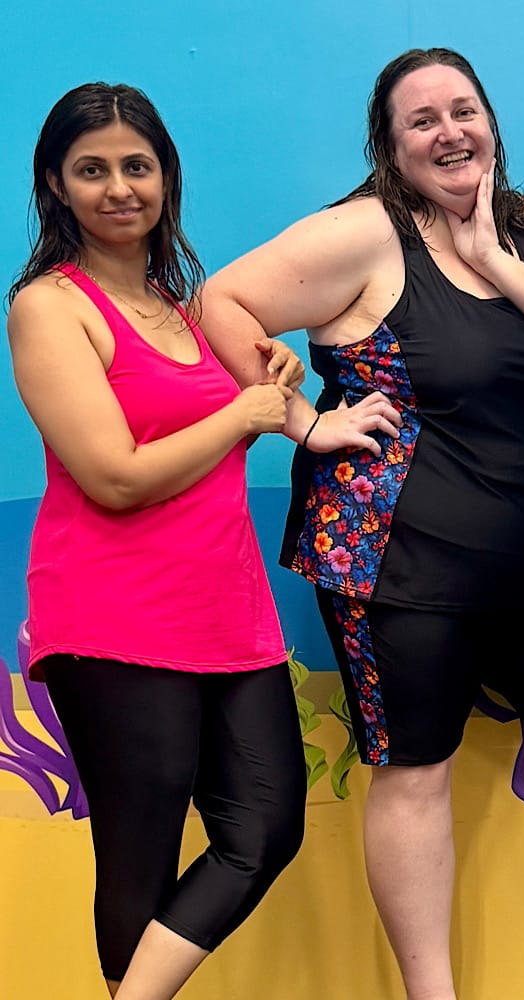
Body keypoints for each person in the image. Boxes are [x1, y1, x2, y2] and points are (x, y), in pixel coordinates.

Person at [198, 48, 524, 1000]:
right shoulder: (368, 232)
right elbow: (223, 300)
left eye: (464, 110)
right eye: (422, 120)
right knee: (416, 770)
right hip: (395, 563)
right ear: (391, 145)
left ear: (490, 122)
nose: (449, 132)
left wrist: (492, 257)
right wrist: (304, 421)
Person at [6, 83, 309, 999]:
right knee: (139, 857)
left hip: (227, 614)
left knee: (266, 826)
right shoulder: (49, 307)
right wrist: (244, 414)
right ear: (55, 184)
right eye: (91, 170)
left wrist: (273, 388)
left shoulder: (181, 310)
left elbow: (213, 437)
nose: (118, 188)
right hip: (115, 617)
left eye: (136, 166)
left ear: (166, 177)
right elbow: (114, 475)